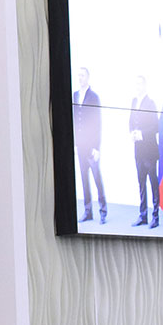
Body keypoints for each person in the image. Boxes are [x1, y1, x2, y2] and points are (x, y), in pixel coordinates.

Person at [72, 66, 105, 224]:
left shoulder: (94, 97)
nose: (80, 78)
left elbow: (97, 122)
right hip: (80, 145)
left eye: (83, 75)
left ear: (88, 77)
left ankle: (103, 211)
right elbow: (73, 120)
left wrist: (96, 147)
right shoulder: (75, 95)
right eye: (78, 75)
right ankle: (88, 211)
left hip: (91, 146)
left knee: (97, 178)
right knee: (84, 179)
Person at [127, 76, 160, 228]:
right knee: (141, 183)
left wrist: (141, 134)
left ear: (145, 86)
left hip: (150, 151)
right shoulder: (134, 101)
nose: (138, 87)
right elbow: (130, 121)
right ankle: (143, 215)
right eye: (136, 84)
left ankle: (155, 217)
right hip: (138, 150)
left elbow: (156, 127)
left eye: (140, 84)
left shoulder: (151, 103)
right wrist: (132, 132)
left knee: (153, 183)